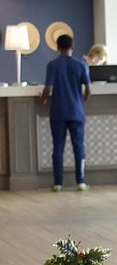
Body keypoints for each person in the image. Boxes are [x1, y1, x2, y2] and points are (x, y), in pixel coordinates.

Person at [40, 34, 92, 192]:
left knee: (58, 147)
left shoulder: (52, 65)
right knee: (78, 147)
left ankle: (58, 183)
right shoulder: (81, 65)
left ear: (57, 48)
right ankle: (81, 181)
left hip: (58, 112)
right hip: (77, 112)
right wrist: (82, 99)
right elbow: (89, 89)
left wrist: (42, 99)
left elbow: (48, 88)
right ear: (72, 47)